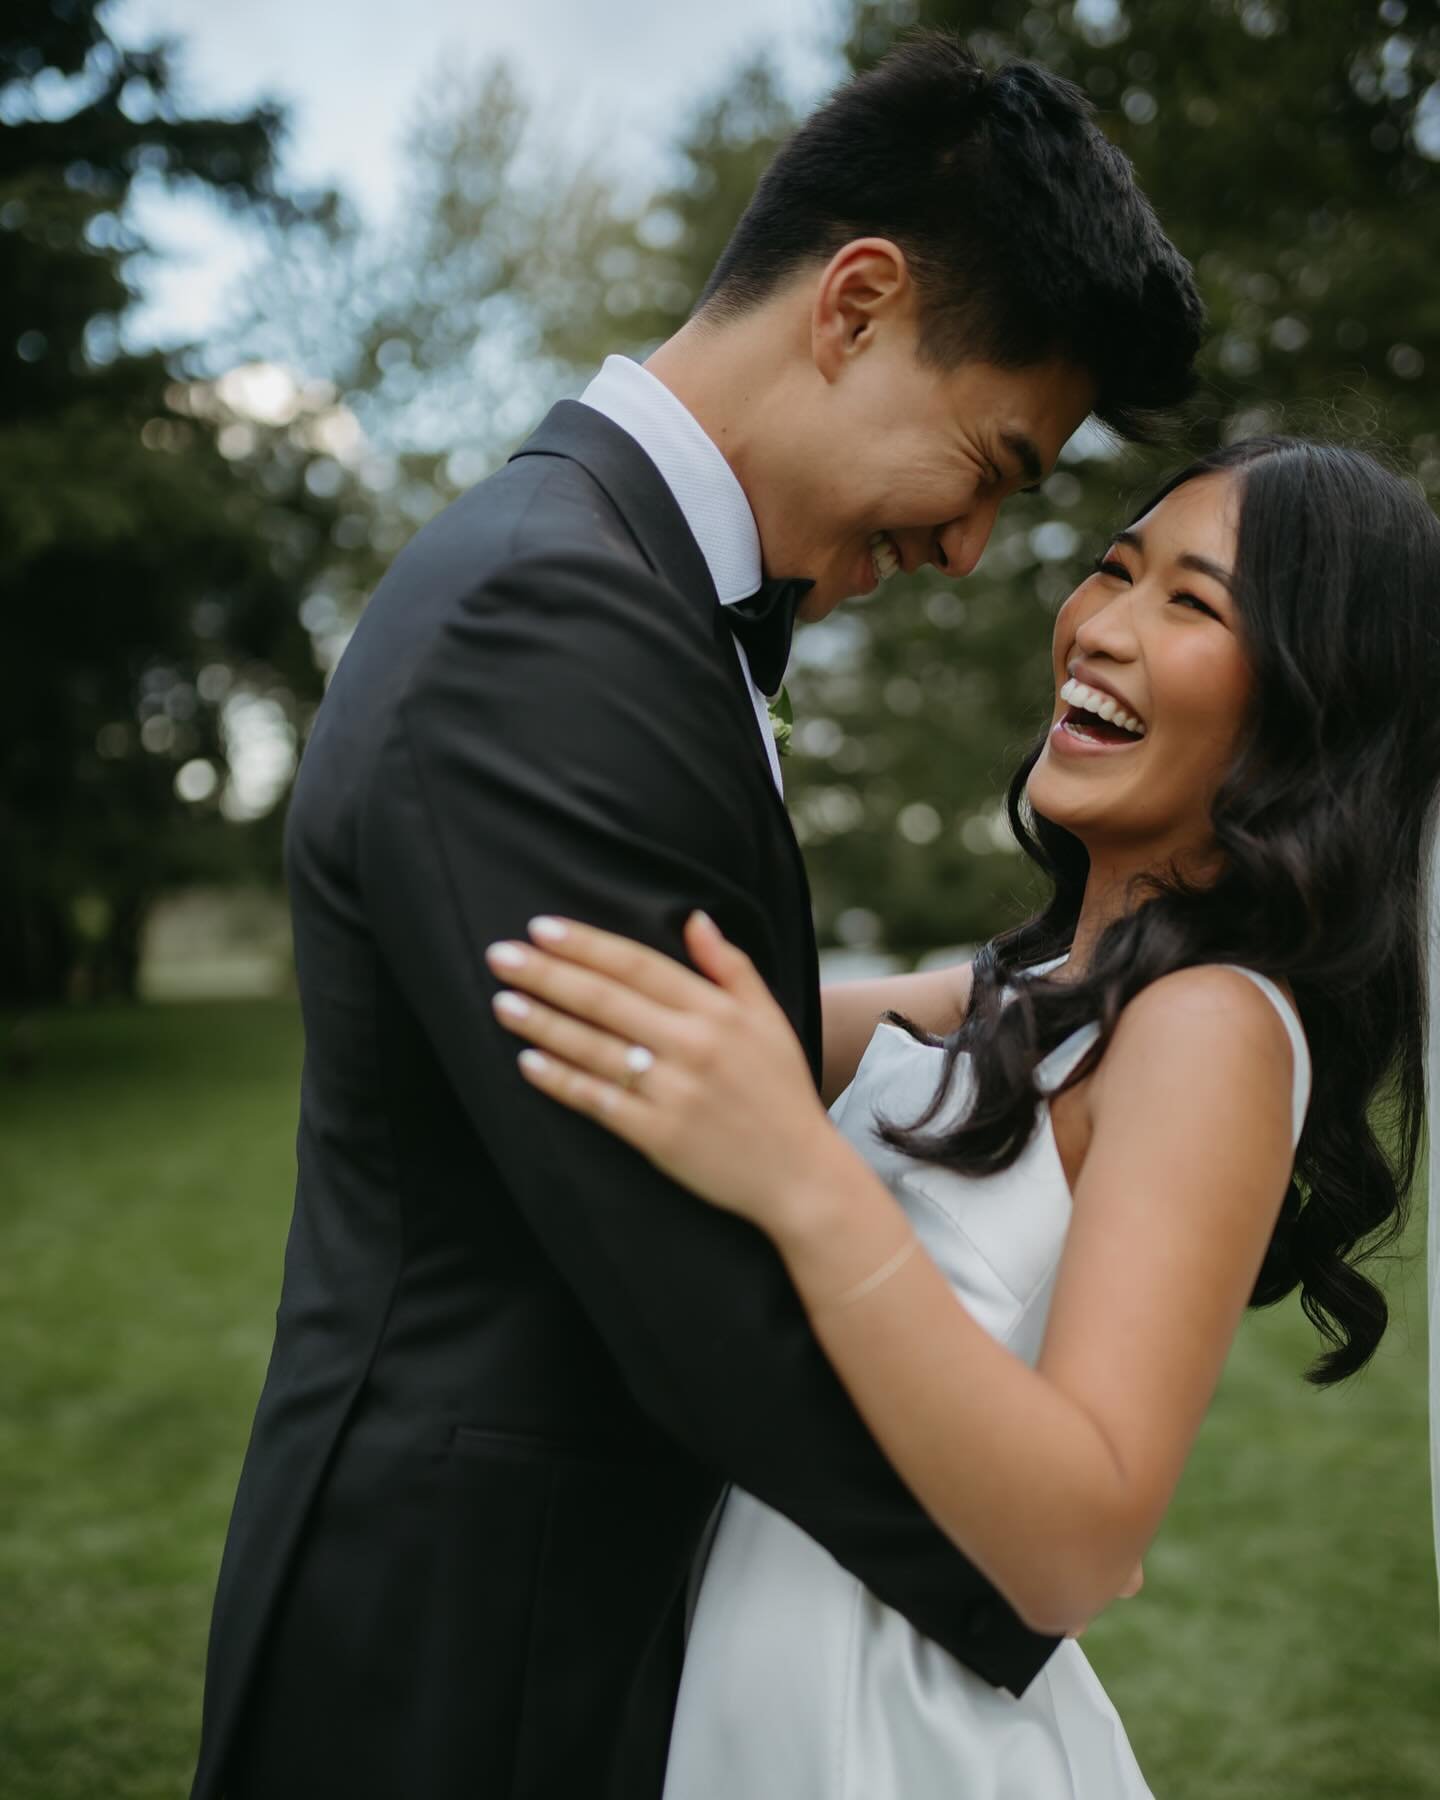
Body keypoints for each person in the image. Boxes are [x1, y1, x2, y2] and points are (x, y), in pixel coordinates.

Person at [188, 35, 1203, 1800]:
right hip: (459, 1663)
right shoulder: (548, 618)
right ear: (857, 303)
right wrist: (1024, 1576)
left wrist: (1061, 999)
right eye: (993, 461)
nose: (971, 551)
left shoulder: (613, 584)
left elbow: (728, 1029)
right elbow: (686, 1280)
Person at [486, 435, 1440, 1796]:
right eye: (1117, 569)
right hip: (748, 1666)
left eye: (1192, 603)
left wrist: (796, 1183)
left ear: (1312, 708)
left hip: (887, 1721)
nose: (1102, 627)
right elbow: (692, 1026)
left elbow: (1079, 1551)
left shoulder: (1211, 1026)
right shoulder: (1028, 989)